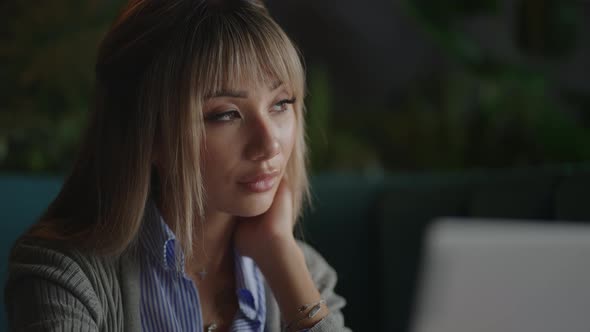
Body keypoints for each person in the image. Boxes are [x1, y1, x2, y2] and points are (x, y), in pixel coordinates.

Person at [4, 0, 351, 331]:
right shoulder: (65, 276)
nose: (270, 144)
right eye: (225, 114)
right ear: (148, 134)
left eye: (281, 104)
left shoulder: (302, 274)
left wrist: (282, 258)